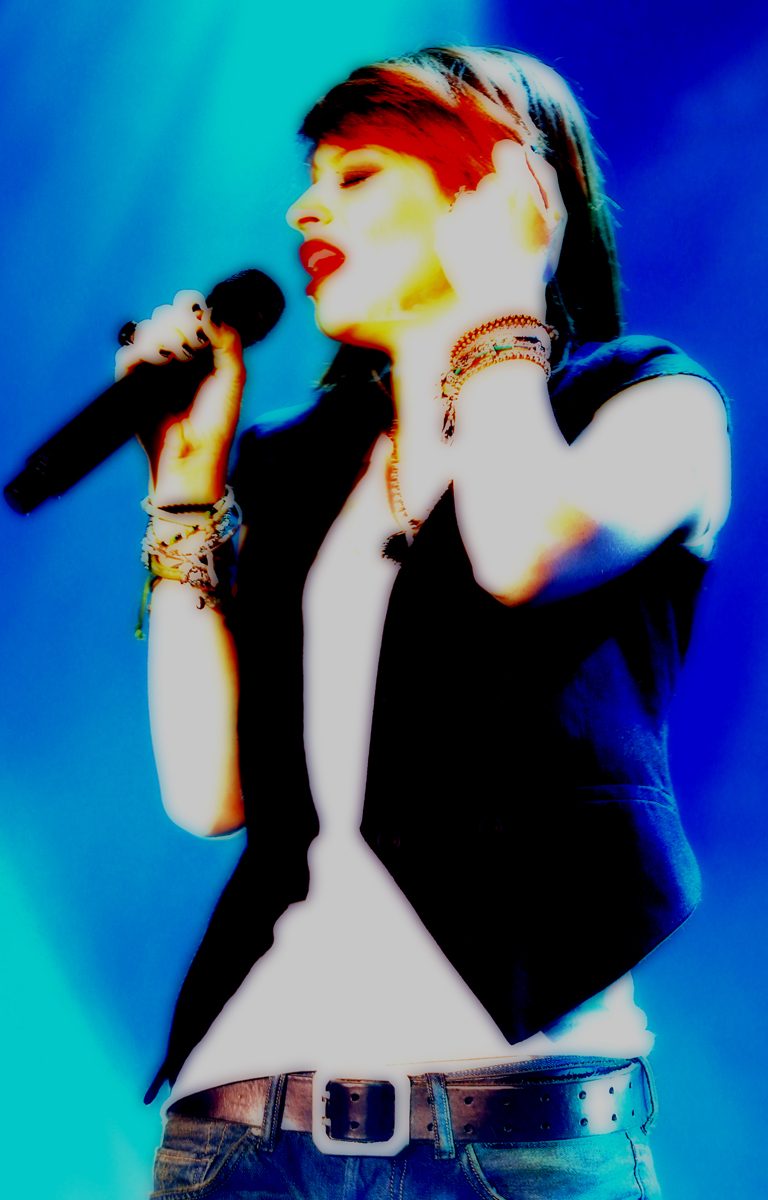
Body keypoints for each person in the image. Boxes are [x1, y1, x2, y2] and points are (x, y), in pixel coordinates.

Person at [118, 46, 730, 1199]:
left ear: (505, 181)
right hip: (244, 1130)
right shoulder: (296, 466)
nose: (305, 209)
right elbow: (208, 795)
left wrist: (500, 304)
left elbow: (519, 548)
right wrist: (186, 495)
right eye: (310, 180)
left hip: (510, 1140)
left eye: (355, 176)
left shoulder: (649, 406)